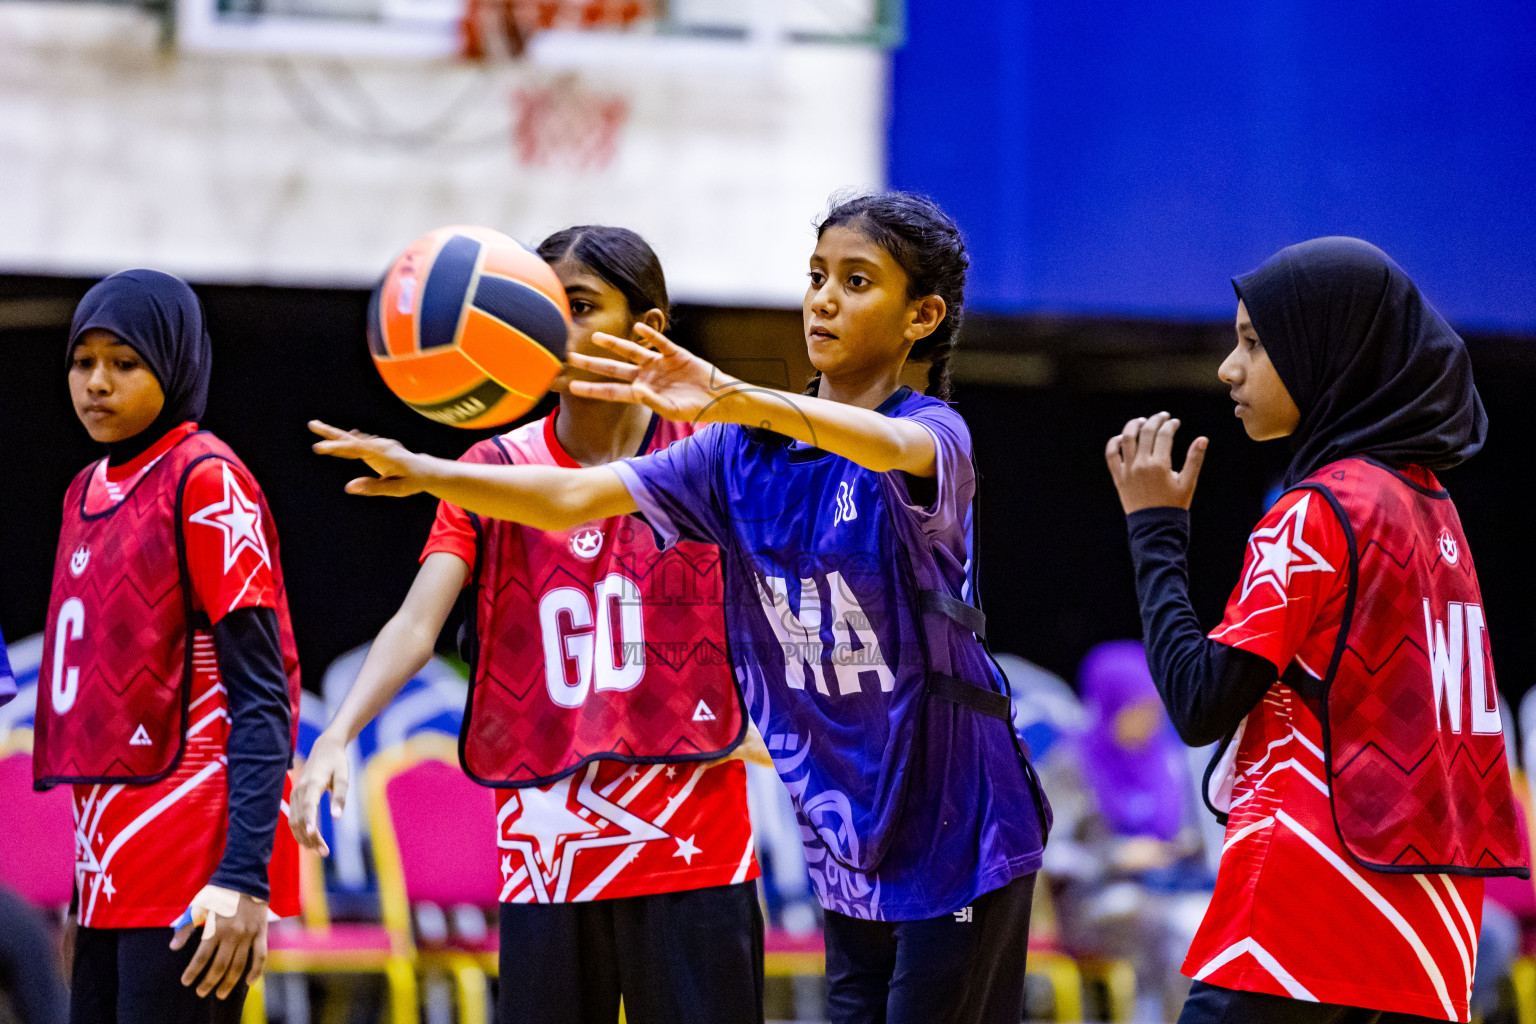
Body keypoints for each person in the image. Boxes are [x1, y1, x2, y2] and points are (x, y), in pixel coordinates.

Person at [309, 191, 1050, 1024]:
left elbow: (882, 443)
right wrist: (430, 471)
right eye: (815, 277)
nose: (824, 299)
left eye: (854, 280)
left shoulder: (928, 434)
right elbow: (568, 497)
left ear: (922, 315)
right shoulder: (728, 455)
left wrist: (731, 395)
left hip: (937, 811)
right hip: (841, 822)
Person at [291, 226, 765, 1024]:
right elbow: (416, 624)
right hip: (547, 839)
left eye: (579, 307)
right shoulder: (490, 469)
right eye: (547, 308)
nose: (558, 330)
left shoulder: (712, 457)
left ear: (647, 329)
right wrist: (336, 734)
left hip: (694, 832)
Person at [1104, 237, 1527, 1023]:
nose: (1230, 368)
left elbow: (1200, 705)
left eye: (1255, 343)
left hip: (1301, 911)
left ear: (1330, 352)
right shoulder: (1435, 512)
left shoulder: (1318, 513)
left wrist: (1154, 532)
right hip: (1429, 927)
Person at [32, 270, 301, 1024]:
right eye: (83, 363)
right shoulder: (82, 489)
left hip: (192, 867)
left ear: (175, 364)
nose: (96, 383)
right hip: (104, 868)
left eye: (124, 363)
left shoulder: (207, 481)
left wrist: (246, 877)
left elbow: (263, 696)